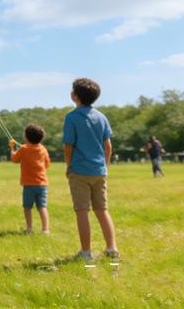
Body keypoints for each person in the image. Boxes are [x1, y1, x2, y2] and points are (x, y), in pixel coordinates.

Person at [63, 77, 119, 261]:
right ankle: (112, 248)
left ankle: (86, 252)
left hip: (79, 171)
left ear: (75, 95)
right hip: (99, 171)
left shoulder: (71, 117)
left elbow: (68, 146)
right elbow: (108, 145)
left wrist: (68, 166)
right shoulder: (101, 117)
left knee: (82, 211)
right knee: (102, 210)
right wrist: (105, 166)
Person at [8, 124, 51, 234]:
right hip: (42, 184)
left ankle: (29, 228)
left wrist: (12, 147)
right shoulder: (43, 149)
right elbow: (47, 164)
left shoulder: (23, 149)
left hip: (28, 184)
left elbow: (14, 159)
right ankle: (45, 229)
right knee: (42, 207)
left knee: (27, 207)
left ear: (26, 137)